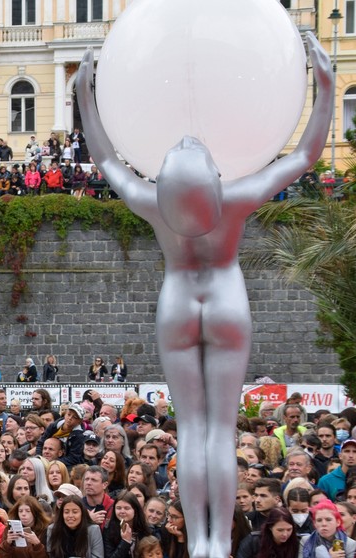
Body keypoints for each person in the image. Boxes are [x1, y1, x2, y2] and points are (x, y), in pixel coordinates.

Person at [77, 34, 333, 558]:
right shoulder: (236, 198)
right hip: (226, 299)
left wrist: (86, 96)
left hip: (177, 302)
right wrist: (322, 84)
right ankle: (217, 542)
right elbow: (306, 155)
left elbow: (105, 160)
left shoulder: (151, 202)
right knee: (218, 430)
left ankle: (200, 542)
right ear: (214, 181)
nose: (188, 139)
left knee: (193, 431)